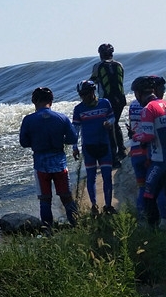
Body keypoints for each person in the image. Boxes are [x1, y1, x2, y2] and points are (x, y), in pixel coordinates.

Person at [19, 86, 79, 227]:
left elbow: (23, 142)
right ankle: (77, 225)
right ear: (51, 101)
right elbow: (72, 138)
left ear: (34, 102)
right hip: (59, 162)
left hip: (41, 164)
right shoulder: (61, 117)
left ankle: (48, 230)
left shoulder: (28, 120)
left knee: (45, 199)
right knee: (67, 197)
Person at [131, 75, 166, 228]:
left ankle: (152, 231)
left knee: (148, 195)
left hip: (160, 162)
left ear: (139, 93)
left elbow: (148, 136)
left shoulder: (147, 109)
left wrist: (135, 135)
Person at [127, 76, 166, 221]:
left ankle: (142, 221)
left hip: (135, 151)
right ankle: (164, 220)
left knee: (142, 188)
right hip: (149, 152)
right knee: (161, 187)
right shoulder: (154, 106)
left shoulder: (133, 105)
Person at [71, 79, 116, 213]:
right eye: (81, 95)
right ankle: (94, 205)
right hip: (88, 147)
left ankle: (108, 206)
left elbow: (112, 117)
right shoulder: (78, 109)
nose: (83, 97)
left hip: (104, 145)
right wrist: (74, 147)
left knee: (107, 176)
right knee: (91, 177)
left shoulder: (105, 103)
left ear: (92, 92)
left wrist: (109, 123)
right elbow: (76, 129)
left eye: (85, 94)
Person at [91, 44, 127, 163]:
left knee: (109, 127)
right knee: (115, 124)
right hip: (121, 99)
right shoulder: (119, 65)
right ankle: (122, 151)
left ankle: (113, 157)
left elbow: (93, 81)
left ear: (100, 54)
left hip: (106, 100)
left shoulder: (98, 66)